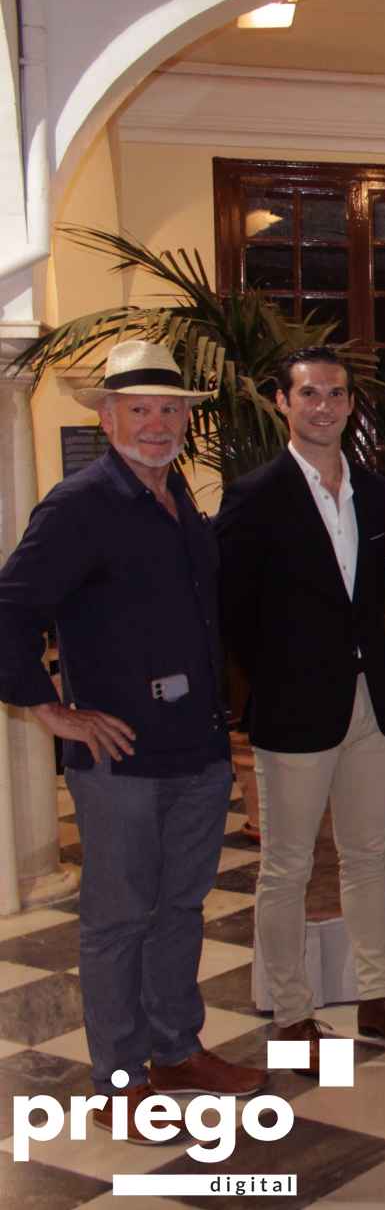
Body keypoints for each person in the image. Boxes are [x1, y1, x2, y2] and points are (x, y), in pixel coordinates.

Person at [0, 340, 266, 1144]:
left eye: (169, 409)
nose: (156, 423)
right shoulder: (79, 503)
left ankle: (176, 1051)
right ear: (109, 417)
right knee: (118, 918)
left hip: (195, 746)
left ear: (186, 416)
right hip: (118, 756)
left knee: (180, 906)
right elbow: (9, 609)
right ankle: (119, 1078)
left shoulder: (176, 493)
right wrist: (53, 712)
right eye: (139, 409)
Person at [215, 347, 385, 1065]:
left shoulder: (375, 492)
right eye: (309, 393)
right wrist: (277, 680)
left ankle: (378, 999)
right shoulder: (254, 495)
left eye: (336, 395)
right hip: (294, 711)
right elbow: (232, 610)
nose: (324, 406)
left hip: (372, 704)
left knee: (369, 857)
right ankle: (292, 1015)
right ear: (283, 401)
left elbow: (375, 597)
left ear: (349, 405)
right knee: (287, 868)